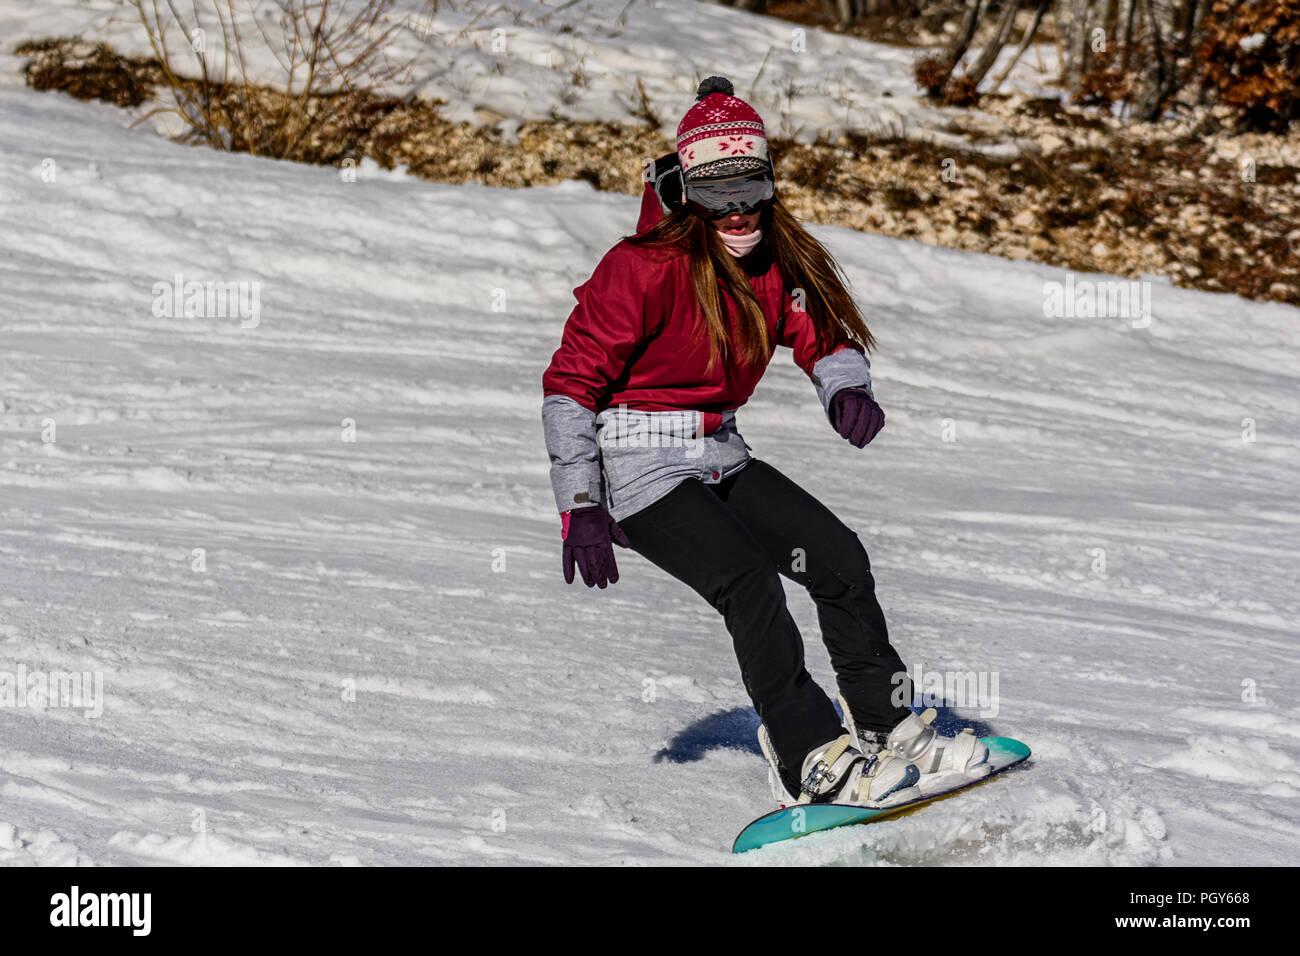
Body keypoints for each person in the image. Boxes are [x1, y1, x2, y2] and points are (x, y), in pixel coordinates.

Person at [541, 77, 989, 807]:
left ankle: (886, 724)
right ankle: (808, 752)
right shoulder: (642, 269)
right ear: (689, 191)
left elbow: (824, 336)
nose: (740, 207)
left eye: (753, 185)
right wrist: (581, 502)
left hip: (719, 454)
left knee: (839, 558)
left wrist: (846, 389)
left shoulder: (773, 263)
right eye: (719, 193)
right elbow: (569, 387)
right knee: (748, 582)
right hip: (638, 470)